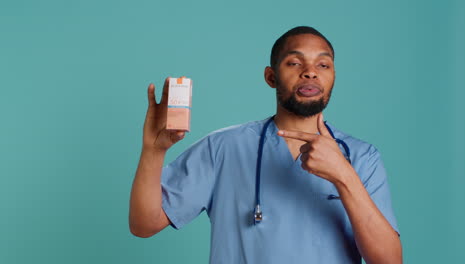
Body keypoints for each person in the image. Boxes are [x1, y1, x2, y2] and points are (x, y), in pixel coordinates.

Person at [129, 26, 402, 263]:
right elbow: (144, 224)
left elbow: (389, 260)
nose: (310, 73)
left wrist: (344, 176)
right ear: (271, 77)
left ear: (332, 77)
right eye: (295, 63)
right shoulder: (223, 148)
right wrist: (154, 151)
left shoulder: (362, 157)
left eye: (323, 65)